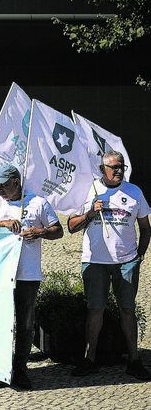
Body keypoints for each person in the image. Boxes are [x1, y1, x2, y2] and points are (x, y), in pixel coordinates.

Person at [67, 150, 150, 380]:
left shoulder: (134, 192)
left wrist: (138, 257)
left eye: (122, 166)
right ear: (102, 169)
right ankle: (89, 359)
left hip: (126, 262)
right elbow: (71, 226)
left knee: (128, 309)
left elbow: (145, 228)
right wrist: (90, 213)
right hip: (95, 262)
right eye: (114, 167)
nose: (120, 171)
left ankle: (134, 360)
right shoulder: (89, 189)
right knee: (95, 310)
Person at [0, 163, 63, 390]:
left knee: (25, 324)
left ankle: (20, 369)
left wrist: (41, 232)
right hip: (1, 273)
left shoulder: (38, 202)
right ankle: (1, 368)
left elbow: (59, 231)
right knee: (2, 321)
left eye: (3, 185)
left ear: (16, 182)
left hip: (28, 273)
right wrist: (4, 223)